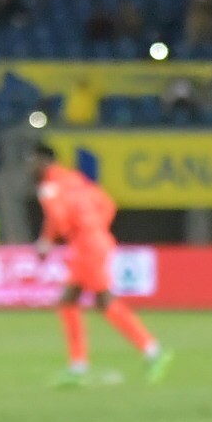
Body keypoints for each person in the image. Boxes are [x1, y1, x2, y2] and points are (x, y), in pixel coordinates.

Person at [31, 143, 173, 387]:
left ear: (44, 162)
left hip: (86, 247)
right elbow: (107, 204)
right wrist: (95, 227)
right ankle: (78, 367)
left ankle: (152, 352)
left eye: (33, 161)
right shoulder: (76, 179)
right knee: (70, 301)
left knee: (103, 302)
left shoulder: (49, 188)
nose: (30, 167)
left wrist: (48, 241)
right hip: (96, 241)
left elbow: (58, 218)